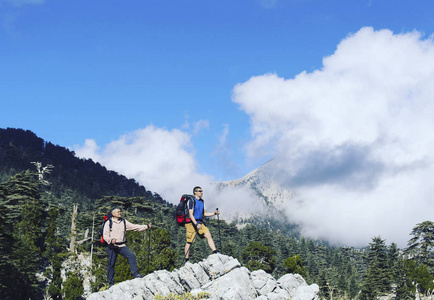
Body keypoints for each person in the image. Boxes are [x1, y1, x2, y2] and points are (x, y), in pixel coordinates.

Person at [103, 208, 152, 288]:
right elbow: (105, 235)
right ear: (113, 214)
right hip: (112, 246)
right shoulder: (109, 223)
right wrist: (111, 240)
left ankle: (136, 275)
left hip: (122, 245)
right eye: (118, 212)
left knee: (131, 256)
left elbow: (134, 227)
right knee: (111, 265)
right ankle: (111, 283)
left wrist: (146, 227)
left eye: (120, 211)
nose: (120, 213)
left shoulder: (123, 221)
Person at [184, 186, 220, 262]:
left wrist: (214, 213)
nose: (201, 192)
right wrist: (196, 224)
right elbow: (191, 214)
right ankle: (186, 260)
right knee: (189, 241)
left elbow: (205, 213)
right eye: (200, 191)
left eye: (202, 191)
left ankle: (215, 252)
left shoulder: (202, 202)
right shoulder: (192, 201)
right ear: (195, 192)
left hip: (199, 222)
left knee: (208, 235)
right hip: (191, 223)